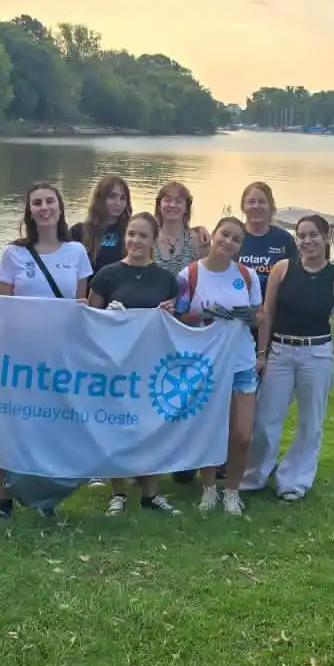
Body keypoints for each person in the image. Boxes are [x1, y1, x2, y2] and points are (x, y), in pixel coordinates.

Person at [0, 182, 93, 518]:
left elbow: (80, 306)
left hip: (60, 354)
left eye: (50, 201)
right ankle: (4, 497)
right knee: (13, 423)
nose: (44, 207)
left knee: (50, 425)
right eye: (37, 202)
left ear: (60, 208)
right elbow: (3, 309)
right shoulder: (13, 254)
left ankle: (45, 497)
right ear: (30, 211)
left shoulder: (77, 252)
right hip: (22, 355)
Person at [243, 214, 334, 502]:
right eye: (301, 236)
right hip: (281, 351)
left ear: (326, 237)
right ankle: (254, 475)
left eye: (313, 235)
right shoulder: (283, 270)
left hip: (317, 354)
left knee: (310, 422)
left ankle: (293, 482)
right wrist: (262, 354)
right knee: (265, 418)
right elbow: (267, 314)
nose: (307, 241)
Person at [87, 212, 181, 516]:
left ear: (154, 240)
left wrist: (171, 313)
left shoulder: (167, 280)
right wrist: (108, 319)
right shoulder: (107, 275)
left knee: (151, 428)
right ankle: (118, 494)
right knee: (116, 426)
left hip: (151, 366)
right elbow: (90, 321)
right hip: (116, 365)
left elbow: (177, 327)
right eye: (131, 234)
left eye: (142, 235)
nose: (135, 241)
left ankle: (151, 493)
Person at [174, 216, 262, 516]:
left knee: (241, 435)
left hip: (241, 363)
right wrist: (204, 311)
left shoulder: (248, 276)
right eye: (225, 234)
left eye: (236, 239)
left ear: (240, 246)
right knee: (210, 430)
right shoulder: (190, 274)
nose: (228, 242)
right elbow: (179, 316)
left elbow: (259, 316)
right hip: (206, 364)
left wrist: (250, 317)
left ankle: (232, 491)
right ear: (213, 235)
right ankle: (209, 489)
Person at [153, 180, 212, 485]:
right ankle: (148, 458)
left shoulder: (199, 240)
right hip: (154, 326)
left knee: (187, 393)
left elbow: (207, 278)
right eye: (167, 200)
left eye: (179, 200)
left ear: (187, 207)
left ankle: (185, 459)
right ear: (159, 204)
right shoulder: (148, 236)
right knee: (154, 391)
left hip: (188, 324)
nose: (173, 205)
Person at [237, 181, 297, 298]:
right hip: (236, 309)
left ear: (271, 207)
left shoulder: (285, 240)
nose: (256, 206)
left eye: (262, 202)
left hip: (274, 309)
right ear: (243, 207)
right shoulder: (233, 236)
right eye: (251, 202)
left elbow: (295, 279)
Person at [70, 174, 131, 281]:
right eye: (112, 197)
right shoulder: (78, 231)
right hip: (87, 293)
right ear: (100, 199)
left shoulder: (130, 232)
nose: (118, 203)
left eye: (122, 198)